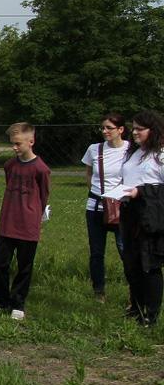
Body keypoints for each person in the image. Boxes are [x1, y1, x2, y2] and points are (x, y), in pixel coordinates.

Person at [0, 123, 51, 321]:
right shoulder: (10, 166)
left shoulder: (41, 168)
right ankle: (1, 301)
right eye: (12, 144)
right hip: (8, 222)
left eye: (18, 144)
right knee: (0, 264)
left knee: (24, 266)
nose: (14, 147)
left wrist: (36, 213)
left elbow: (44, 194)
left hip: (28, 225)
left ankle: (18, 304)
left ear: (31, 141)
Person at [119, 111, 164, 327]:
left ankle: (151, 315)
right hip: (129, 212)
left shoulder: (160, 155)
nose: (135, 132)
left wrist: (141, 191)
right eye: (134, 128)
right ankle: (136, 308)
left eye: (140, 129)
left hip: (149, 215)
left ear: (152, 130)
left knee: (149, 265)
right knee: (132, 264)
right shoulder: (134, 153)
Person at [82, 113, 129, 302]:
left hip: (122, 207)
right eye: (103, 127)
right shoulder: (95, 149)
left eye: (109, 128)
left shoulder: (130, 150)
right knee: (96, 252)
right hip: (96, 207)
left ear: (121, 129)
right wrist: (95, 191)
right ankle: (99, 292)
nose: (105, 131)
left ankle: (135, 291)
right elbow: (88, 174)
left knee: (125, 250)